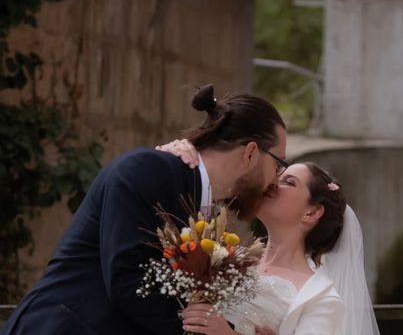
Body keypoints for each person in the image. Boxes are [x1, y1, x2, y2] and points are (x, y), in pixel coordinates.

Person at [2, 84, 287, 335]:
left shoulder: (203, 207)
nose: (276, 180)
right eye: (278, 164)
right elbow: (128, 282)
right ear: (250, 153)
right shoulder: (147, 170)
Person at [159, 142, 380, 335]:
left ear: (311, 213)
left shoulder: (320, 299)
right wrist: (180, 157)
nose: (273, 182)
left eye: (289, 182)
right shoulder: (227, 255)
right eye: (278, 176)